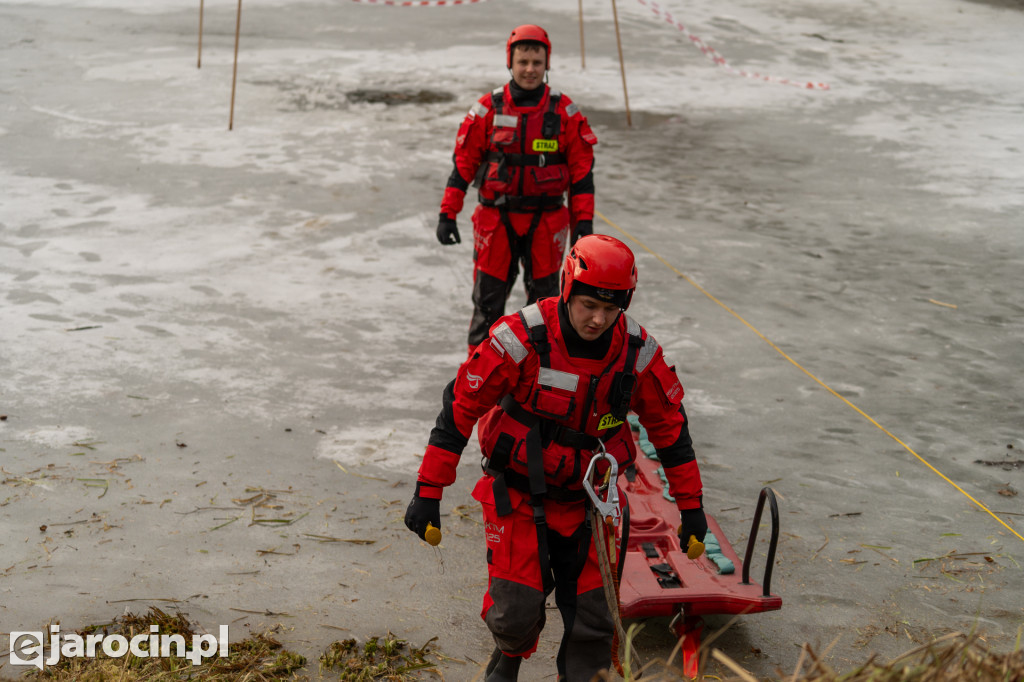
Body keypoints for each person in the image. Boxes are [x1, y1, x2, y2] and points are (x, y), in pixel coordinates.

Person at [405, 235, 708, 681]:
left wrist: (692, 508)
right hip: (520, 497)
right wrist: (428, 492)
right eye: (588, 305)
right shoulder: (520, 340)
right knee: (515, 614)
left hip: (590, 504)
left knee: (594, 620)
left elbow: (672, 433)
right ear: (568, 288)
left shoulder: (638, 354)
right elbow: (459, 411)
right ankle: (506, 663)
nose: (599, 319)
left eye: (612, 309)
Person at [435, 24, 599, 353]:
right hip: (496, 221)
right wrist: (447, 213)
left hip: (547, 222)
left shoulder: (565, 113)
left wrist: (584, 226)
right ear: (509, 62)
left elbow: (582, 174)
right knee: (487, 306)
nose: (529, 69)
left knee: (548, 311)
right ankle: (477, 381)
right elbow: (463, 165)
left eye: (537, 63)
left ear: (546, 64)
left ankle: (539, 379)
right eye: (522, 61)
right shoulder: (488, 109)